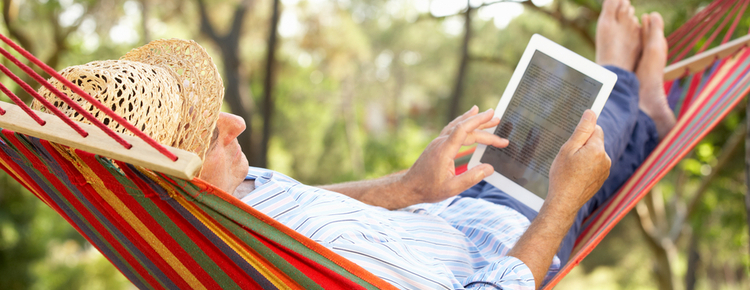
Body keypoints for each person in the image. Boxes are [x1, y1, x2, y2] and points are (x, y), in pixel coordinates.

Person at [35, 0, 675, 288]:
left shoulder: (231, 203)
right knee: (591, 121)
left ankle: (641, 116)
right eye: (210, 132)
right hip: (508, 237)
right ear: (170, 175)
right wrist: (561, 203)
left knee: (565, 141)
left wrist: (410, 187)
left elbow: (311, 204)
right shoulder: (251, 268)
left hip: (450, 210)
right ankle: (634, 96)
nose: (236, 126)